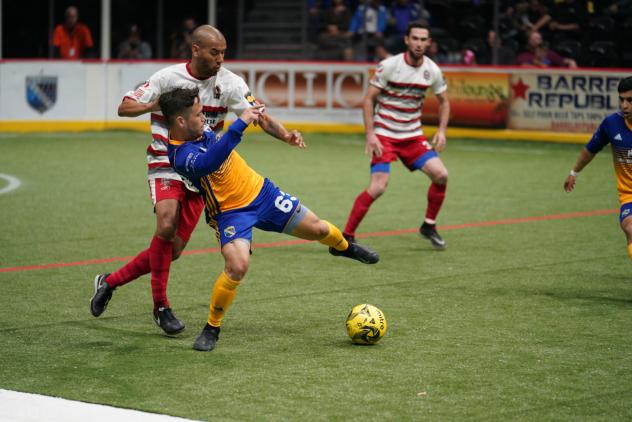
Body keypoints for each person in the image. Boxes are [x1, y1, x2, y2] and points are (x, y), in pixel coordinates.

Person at [90, 25, 305, 336]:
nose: (220, 59)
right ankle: (161, 307)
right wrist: (154, 104)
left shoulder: (230, 83)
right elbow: (124, 108)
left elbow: (257, 114)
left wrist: (285, 135)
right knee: (165, 225)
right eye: (214, 52)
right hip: (166, 161)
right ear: (195, 50)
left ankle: (109, 282)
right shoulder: (167, 78)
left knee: (172, 249)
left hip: (201, 171)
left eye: (223, 53)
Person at [161, 87, 379, 351]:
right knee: (237, 267)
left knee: (320, 228)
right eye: (198, 114)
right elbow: (209, 162)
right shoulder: (179, 155)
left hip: (263, 193)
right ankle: (212, 327)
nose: (204, 118)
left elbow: (255, 116)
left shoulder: (196, 126)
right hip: (230, 213)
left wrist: (282, 133)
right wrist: (239, 125)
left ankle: (344, 248)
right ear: (181, 121)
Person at [341, 22, 450, 249]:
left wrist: (441, 130)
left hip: (412, 137)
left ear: (429, 43)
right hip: (385, 135)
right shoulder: (389, 66)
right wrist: (370, 134)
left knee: (441, 175)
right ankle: (347, 236)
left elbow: (444, 101)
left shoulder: (432, 70)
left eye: (423, 39)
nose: (419, 43)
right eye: (415, 38)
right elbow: (369, 99)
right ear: (407, 41)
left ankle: (428, 225)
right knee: (378, 186)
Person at [564, 77, 632, 259]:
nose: (624, 105)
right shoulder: (612, 124)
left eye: (630, 100)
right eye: (622, 100)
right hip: (629, 194)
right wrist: (574, 172)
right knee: (630, 228)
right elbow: (590, 149)